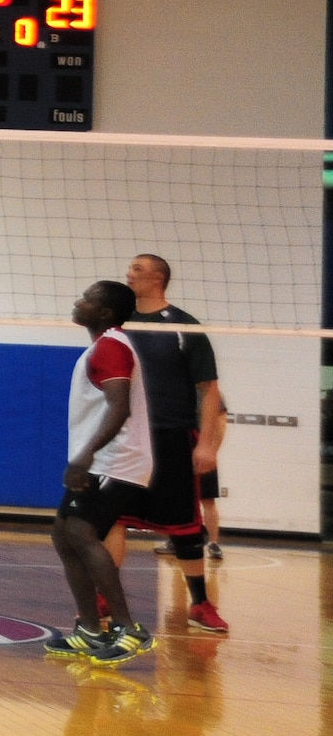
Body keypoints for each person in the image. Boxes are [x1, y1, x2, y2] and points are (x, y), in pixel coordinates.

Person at [111, 254, 228, 631]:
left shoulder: (183, 325)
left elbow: (209, 390)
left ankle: (200, 604)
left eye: (138, 269)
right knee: (111, 518)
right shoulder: (118, 324)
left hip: (172, 435)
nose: (129, 273)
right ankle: (105, 597)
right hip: (128, 438)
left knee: (184, 524)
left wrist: (206, 445)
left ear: (158, 278)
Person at [42, 280, 156, 668]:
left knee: (79, 532)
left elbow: (119, 406)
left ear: (105, 312)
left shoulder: (111, 346)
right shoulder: (102, 346)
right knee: (63, 534)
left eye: (87, 299)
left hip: (114, 460)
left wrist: (87, 453)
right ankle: (91, 629)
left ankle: (128, 628)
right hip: (103, 459)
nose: (78, 302)